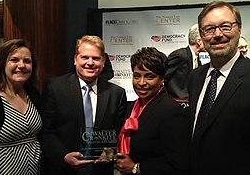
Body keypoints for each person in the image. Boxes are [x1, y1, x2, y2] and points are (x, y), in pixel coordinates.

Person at [40, 35, 127, 175]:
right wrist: (64, 155)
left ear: (104, 62)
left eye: (96, 58)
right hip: (63, 170)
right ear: (75, 59)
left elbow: (119, 131)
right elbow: (46, 131)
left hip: (100, 170)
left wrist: (110, 152)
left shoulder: (117, 93)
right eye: (85, 57)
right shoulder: (54, 88)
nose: (90, 63)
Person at [188, 1, 250, 175]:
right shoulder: (195, 77)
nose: (217, 34)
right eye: (209, 29)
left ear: (239, 28)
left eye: (225, 26)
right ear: (201, 35)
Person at [116, 47, 190, 175]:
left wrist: (136, 168)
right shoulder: (131, 107)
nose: (141, 83)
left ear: (162, 79)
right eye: (137, 76)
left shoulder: (172, 111)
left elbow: (178, 163)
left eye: (149, 77)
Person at [0, 39, 42, 174]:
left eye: (27, 61)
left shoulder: (33, 94)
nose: (21, 65)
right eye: (14, 60)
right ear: (2, 64)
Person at [165, 23, 205, 100]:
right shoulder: (180, 55)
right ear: (199, 41)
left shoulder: (198, 60)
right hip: (176, 102)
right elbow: (163, 77)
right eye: (205, 39)